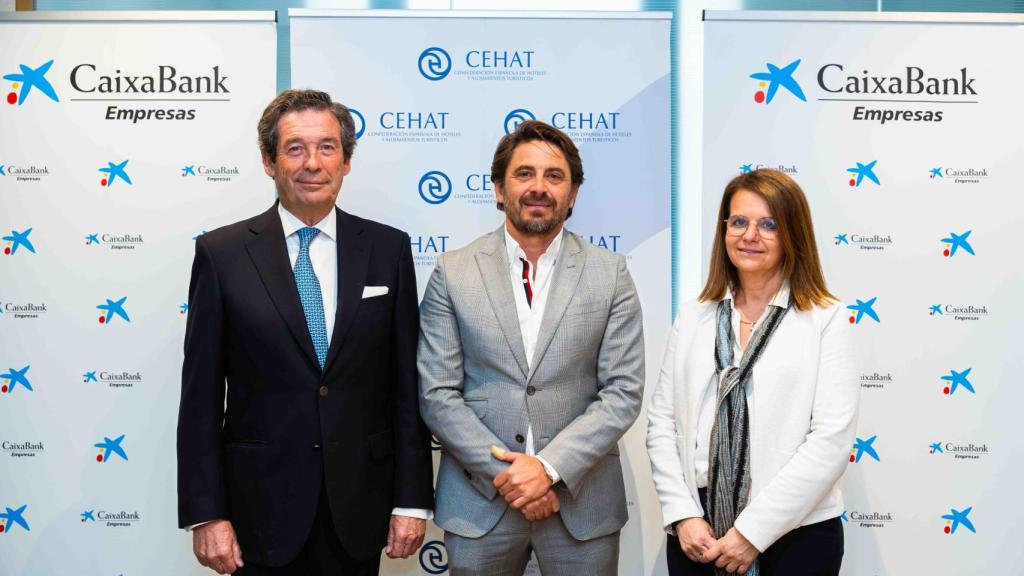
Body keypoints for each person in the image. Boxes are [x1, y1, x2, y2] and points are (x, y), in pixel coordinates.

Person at [176, 89, 434, 575]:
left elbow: (406, 388)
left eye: (327, 147)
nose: (312, 163)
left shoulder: (388, 249)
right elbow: (201, 398)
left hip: (359, 510)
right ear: (269, 162)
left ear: (347, 160)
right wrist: (206, 512)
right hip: (259, 512)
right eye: (295, 148)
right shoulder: (223, 254)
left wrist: (412, 501)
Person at [417, 120, 645, 575]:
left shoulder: (610, 273)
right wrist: (509, 476)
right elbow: (437, 393)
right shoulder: (452, 271)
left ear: (573, 194)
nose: (538, 187)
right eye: (524, 174)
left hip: (582, 508)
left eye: (554, 176)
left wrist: (549, 469)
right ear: (499, 189)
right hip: (481, 503)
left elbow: (622, 392)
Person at [646, 169, 859, 576]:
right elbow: (662, 424)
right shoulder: (694, 316)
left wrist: (751, 533)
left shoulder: (825, 318)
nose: (749, 235)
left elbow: (830, 440)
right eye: (739, 222)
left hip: (797, 533)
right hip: (698, 533)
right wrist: (682, 513)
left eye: (769, 225)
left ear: (793, 234)